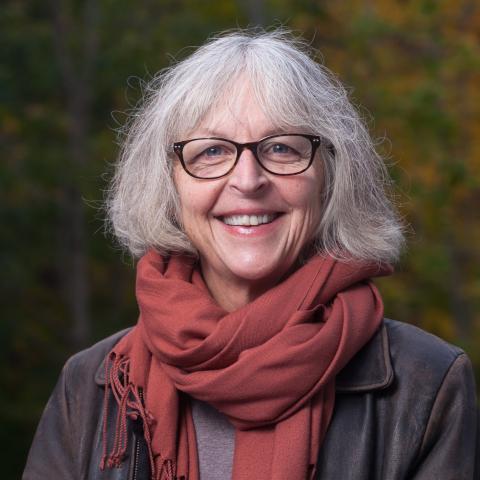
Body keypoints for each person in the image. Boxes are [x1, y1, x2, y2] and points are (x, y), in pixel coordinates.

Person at [23, 30, 477, 480]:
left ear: (331, 178)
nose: (247, 179)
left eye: (281, 147)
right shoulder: (91, 386)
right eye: (212, 151)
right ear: (169, 185)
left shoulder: (428, 384)